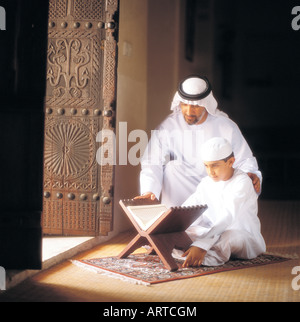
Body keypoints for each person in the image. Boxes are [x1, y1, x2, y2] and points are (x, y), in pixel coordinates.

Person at [136, 75, 261, 207]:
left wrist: (250, 174)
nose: (189, 111)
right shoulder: (169, 126)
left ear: (205, 104)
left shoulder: (226, 126)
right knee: (172, 167)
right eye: (184, 104)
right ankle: (175, 219)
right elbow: (152, 161)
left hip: (215, 187)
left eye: (195, 106)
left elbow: (245, 160)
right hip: (180, 189)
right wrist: (149, 191)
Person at [174, 137, 266, 267]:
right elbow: (188, 207)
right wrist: (170, 225)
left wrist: (201, 245)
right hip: (215, 233)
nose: (210, 172)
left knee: (228, 237)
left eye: (215, 165)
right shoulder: (206, 182)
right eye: (206, 166)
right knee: (189, 231)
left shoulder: (242, 181)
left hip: (243, 236)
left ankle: (203, 256)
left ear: (231, 162)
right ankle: (195, 251)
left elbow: (227, 216)